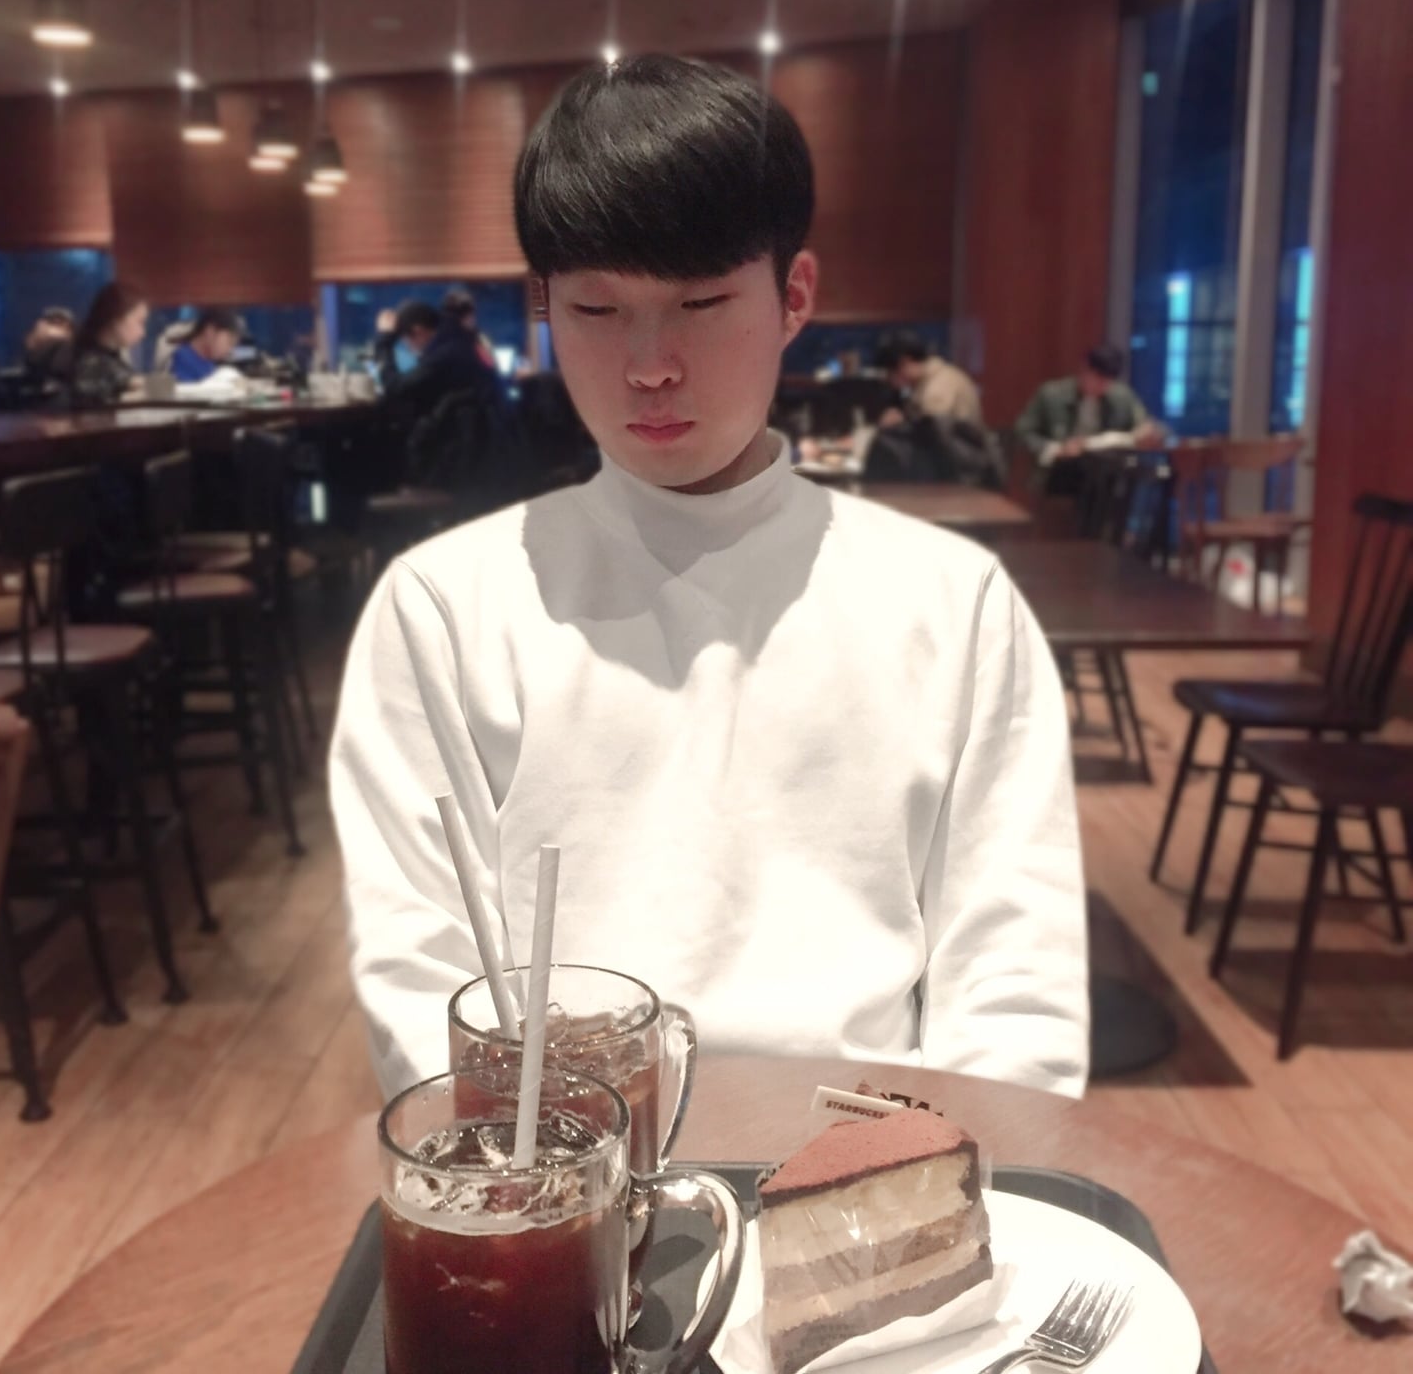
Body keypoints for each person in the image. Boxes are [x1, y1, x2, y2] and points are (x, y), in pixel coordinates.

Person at [331, 55, 1088, 1103]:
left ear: (794, 296)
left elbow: (1015, 990)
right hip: (562, 1166)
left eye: (700, 302)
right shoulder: (444, 607)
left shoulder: (954, 604)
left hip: (876, 1158)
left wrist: (932, 1172)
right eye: (597, 310)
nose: (650, 364)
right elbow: (420, 976)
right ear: (544, 305)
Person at [874, 331, 1005, 488]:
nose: (890, 380)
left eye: (891, 373)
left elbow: (930, 435)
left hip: (965, 474)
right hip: (957, 468)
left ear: (905, 362)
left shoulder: (939, 385)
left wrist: (898, 425)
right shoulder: (927, 382)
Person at [1015, 346, 1154, 486]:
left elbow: (1144, 423)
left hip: (1106, 474)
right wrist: (1056, 449)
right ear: (1084, 370)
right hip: (1057, 472)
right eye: (1097, 379)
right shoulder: (1051, 394)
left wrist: (1146, 432)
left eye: (1107, 382)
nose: (1101, 386)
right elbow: (1022, 432)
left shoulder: (1122, 396)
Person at [69, 283, 148, 408]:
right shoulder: (90, 363)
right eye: (140, 322)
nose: (143, 333)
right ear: (116, 319)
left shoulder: (108, 358)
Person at [170, 307, 242, 383]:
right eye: (229, 342)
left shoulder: (209, 365)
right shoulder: (181, 360)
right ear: (210, 331)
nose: (229, 350)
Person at [21, 306, 75, 381]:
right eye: (55, 320)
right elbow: (30, 345)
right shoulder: (42, 327)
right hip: (36, 370)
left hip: (57, 375)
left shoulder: (68, 336)